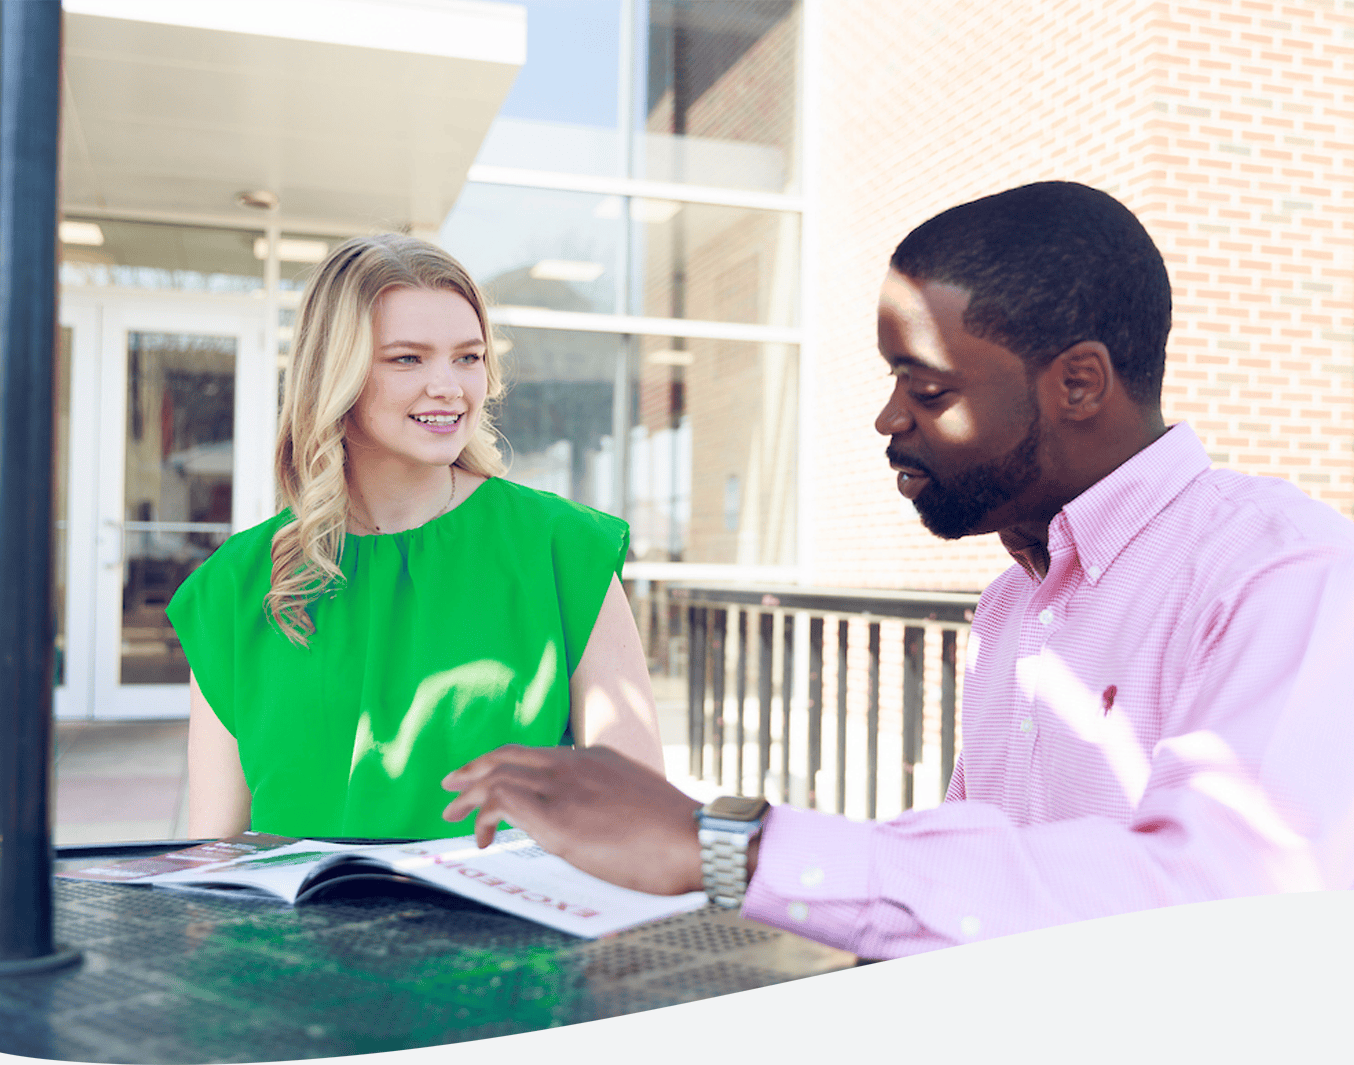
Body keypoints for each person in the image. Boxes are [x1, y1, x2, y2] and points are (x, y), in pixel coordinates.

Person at [440, 182, 1354, 959]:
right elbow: (989, 894)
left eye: (928, 390)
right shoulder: (1014, 605)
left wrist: (730, 846)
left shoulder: (1282, 573)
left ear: (1078, 384)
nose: (888, 420)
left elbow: (1225, 908)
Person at [168, 234, 664, 842]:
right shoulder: (234, 584)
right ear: (336, 375)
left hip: (511, 933)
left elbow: (638, 821)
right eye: (408, 359)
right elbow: (215, 852)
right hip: (289, 937)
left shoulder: (564, 550)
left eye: (469, 357)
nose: (449, 387)